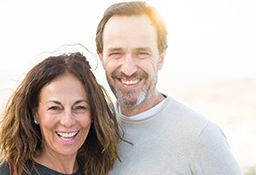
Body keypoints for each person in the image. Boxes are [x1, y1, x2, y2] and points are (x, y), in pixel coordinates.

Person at [95, 1, 242, 174]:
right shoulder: (93, 129)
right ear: (101, 57)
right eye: (116, 53)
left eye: (141, 53)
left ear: (161, 58)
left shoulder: (202, 137)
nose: (128, 68)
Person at [0, 52, 121, 175]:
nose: (68, 121)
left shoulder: (97, 170)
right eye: (54, 108)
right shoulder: (7, 173)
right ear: (35, 113)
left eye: (80, 107)